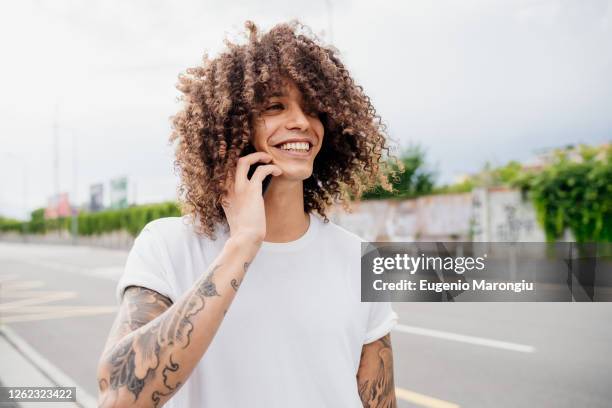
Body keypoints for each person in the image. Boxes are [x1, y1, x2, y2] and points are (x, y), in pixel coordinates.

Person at [97, 20, 399, 408]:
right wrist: (242, 243)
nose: (301, 122)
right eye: (275, 106)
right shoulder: (170, 245)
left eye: (314, 109)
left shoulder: (360, 260)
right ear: (233, 125)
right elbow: (120, 394)